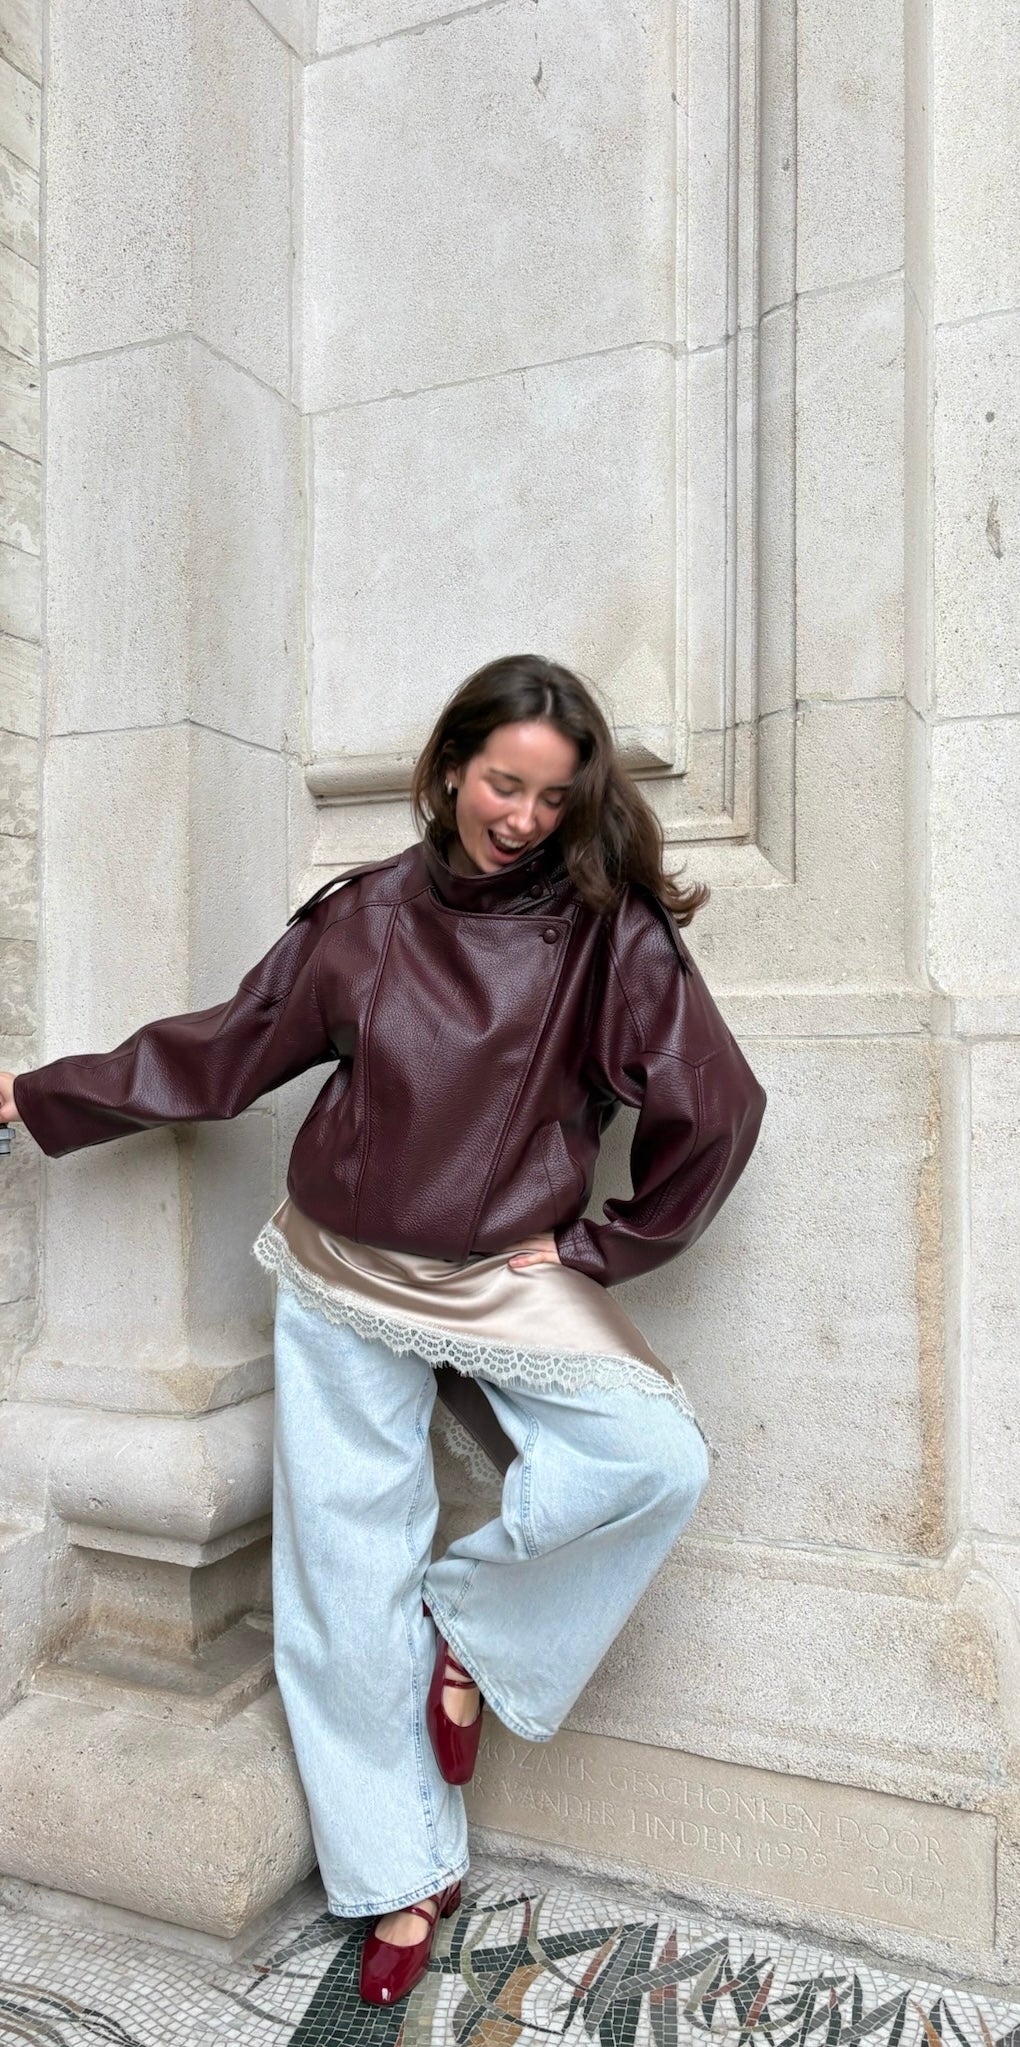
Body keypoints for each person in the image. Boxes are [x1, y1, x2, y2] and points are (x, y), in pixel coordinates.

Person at [0, 653, 767, 2008]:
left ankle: (471, 1626)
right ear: (451, 768)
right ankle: (400, 1872)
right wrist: (41, 1096)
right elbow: (223, 1053)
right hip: (342, 1263)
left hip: (498, 1270)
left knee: (653, 1459)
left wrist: (600, 1247)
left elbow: (718, 1109)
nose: (523, 818)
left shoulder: (612, 934)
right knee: (343, 1579)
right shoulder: (363, 916)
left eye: (553, 797)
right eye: (503, 784)